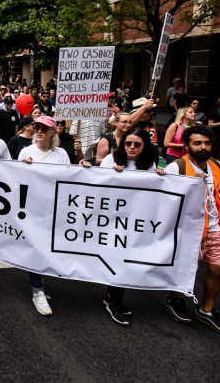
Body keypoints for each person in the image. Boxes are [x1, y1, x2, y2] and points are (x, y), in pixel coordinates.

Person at [164, 125, 220, 336]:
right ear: (187, 145)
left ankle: (206, 310)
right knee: (184, 267)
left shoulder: (215, 165)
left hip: (213, 227)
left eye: (207, 143)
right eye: (197, 143)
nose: (203, 147)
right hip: (187, 229)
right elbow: (164, 202)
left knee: (219, 269)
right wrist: (186, 185)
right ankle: (174, 299)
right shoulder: (176, 168)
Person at [19, 115, 91, 315]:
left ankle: (40, 282)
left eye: (44, 128)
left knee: (49, 248)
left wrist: (82, 166)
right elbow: (16, 180)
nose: (39, 131)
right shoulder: (26, 151)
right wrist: (23, 166)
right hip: (32, 208)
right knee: (35, 248)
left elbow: (68, 179)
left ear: (53, 131)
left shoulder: (61, 155)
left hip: (54, 208)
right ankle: (37, 290)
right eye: (37, 127)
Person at [99, 127, 164, 325]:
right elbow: (97, 185)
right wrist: (113, 174)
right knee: (118, 261)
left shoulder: (149, 165)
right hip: (113, 220)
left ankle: (112, 296)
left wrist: (162, 177)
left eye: (137, 144)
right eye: (128, 143)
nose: (132, 148)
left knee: (127, 261)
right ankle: (115, 301)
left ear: (145, 147)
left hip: (136, 222)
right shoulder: (111, 160)